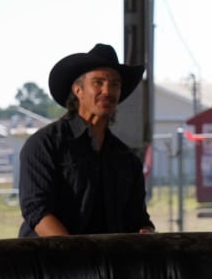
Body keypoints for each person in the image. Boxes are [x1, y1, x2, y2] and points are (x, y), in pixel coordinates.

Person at [17, 43, 155, 237]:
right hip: (51, 263)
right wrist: (77, 256)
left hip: (106, 264)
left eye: (115, 84)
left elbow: (137, 218)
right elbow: (37, 210)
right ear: (77, 90)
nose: (107, 91)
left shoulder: (126, 158)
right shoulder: (44, 145)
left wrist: (147, 234)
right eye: (98, 82)